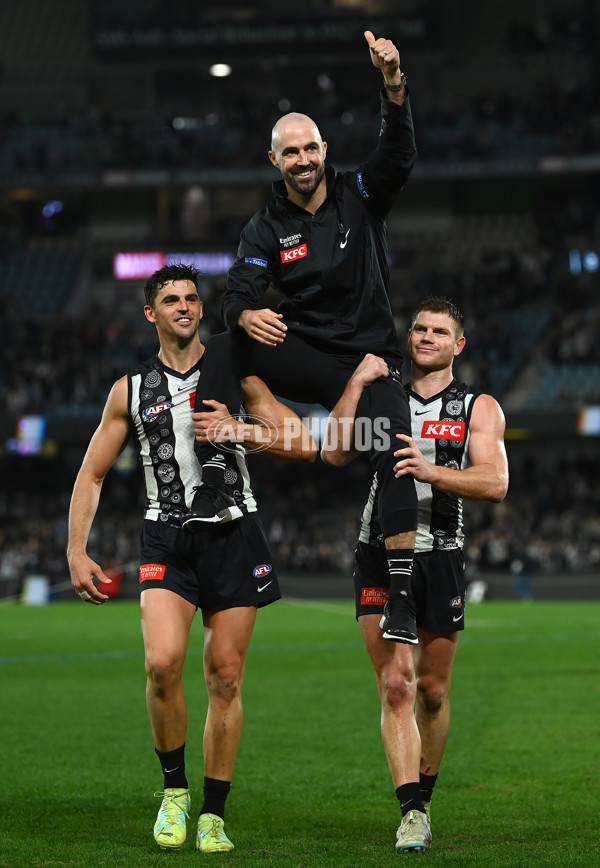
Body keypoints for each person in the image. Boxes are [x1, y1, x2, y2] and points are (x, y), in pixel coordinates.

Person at [66, 263, 316, 854]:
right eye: (171, 299)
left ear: (203, 310)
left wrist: (242, 432)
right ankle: (174, 791)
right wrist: (76, 549)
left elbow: (304, 443)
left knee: (225, 678)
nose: (185, 305)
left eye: (192, 298)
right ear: (150, 313)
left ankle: (214, 813)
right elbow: (92, 473)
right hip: (166, 539)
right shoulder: (129, 390)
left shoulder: (235, 372)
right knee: (162, 663)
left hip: (234, 535)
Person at [187, 29, 420, 644]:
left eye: (309, 148)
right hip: (309, 357)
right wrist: (242, 315)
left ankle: (400, 596)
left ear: (324, 149)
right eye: (289, 153)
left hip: (370, 358)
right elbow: (239, 288)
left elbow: (397, 156)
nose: (302, 160)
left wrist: (392, 84)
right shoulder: (266, 227)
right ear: (276, 162)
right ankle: (214, 478)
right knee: (223, 339)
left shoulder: (358, 196)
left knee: (394, 441)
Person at [321, 297, 509, 852]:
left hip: (442, 555)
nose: (425, 338)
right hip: (378, 552)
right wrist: (356, 384)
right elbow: (332, 453)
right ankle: (411, 811)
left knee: (431, 689)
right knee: (396, 684)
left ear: (458, 344)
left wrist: (431, 472)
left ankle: (424, 797)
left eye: (439, 332)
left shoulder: (478, 406)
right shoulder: (385, 397)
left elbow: (495, 482)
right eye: (420, 329)